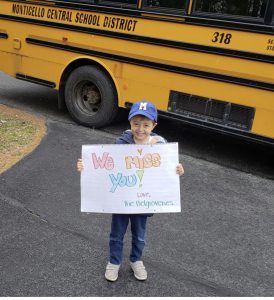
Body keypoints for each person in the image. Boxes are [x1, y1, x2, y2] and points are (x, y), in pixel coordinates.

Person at [77, 100, 184, 282]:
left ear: (154, 125)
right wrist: (86, 167)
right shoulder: (121, 144)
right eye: (136, 124)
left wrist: (178, 171)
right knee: (116, 234)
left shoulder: (161, 149)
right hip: (121, 200)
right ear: (129, 122)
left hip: (143, 202)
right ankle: (114, 262)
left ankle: (136, 260)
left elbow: (168, 172)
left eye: (145, 125)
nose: (140, 129)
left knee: (139, 236)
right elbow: (105, 165)